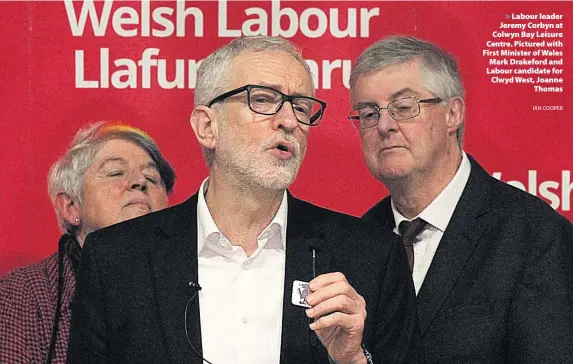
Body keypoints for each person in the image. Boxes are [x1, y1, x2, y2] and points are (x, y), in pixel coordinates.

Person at [67, 36, 418, 364]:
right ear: (207, 127)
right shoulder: (117, 260)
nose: (288, 121)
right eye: (263, 99)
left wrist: (353, 360)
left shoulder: (371, 257)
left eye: (300, 106)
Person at [349, 35, 573, 363]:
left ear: (452, 114)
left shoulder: (535, 237)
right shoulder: (358, 241)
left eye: (404, 108)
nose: (385, 126)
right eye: (368, 114)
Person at [0, 121, 176, 364]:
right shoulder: (20, 298)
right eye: (116, 172)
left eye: (152, 178)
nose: (139, 182)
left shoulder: (192, 284)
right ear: (71, 206)